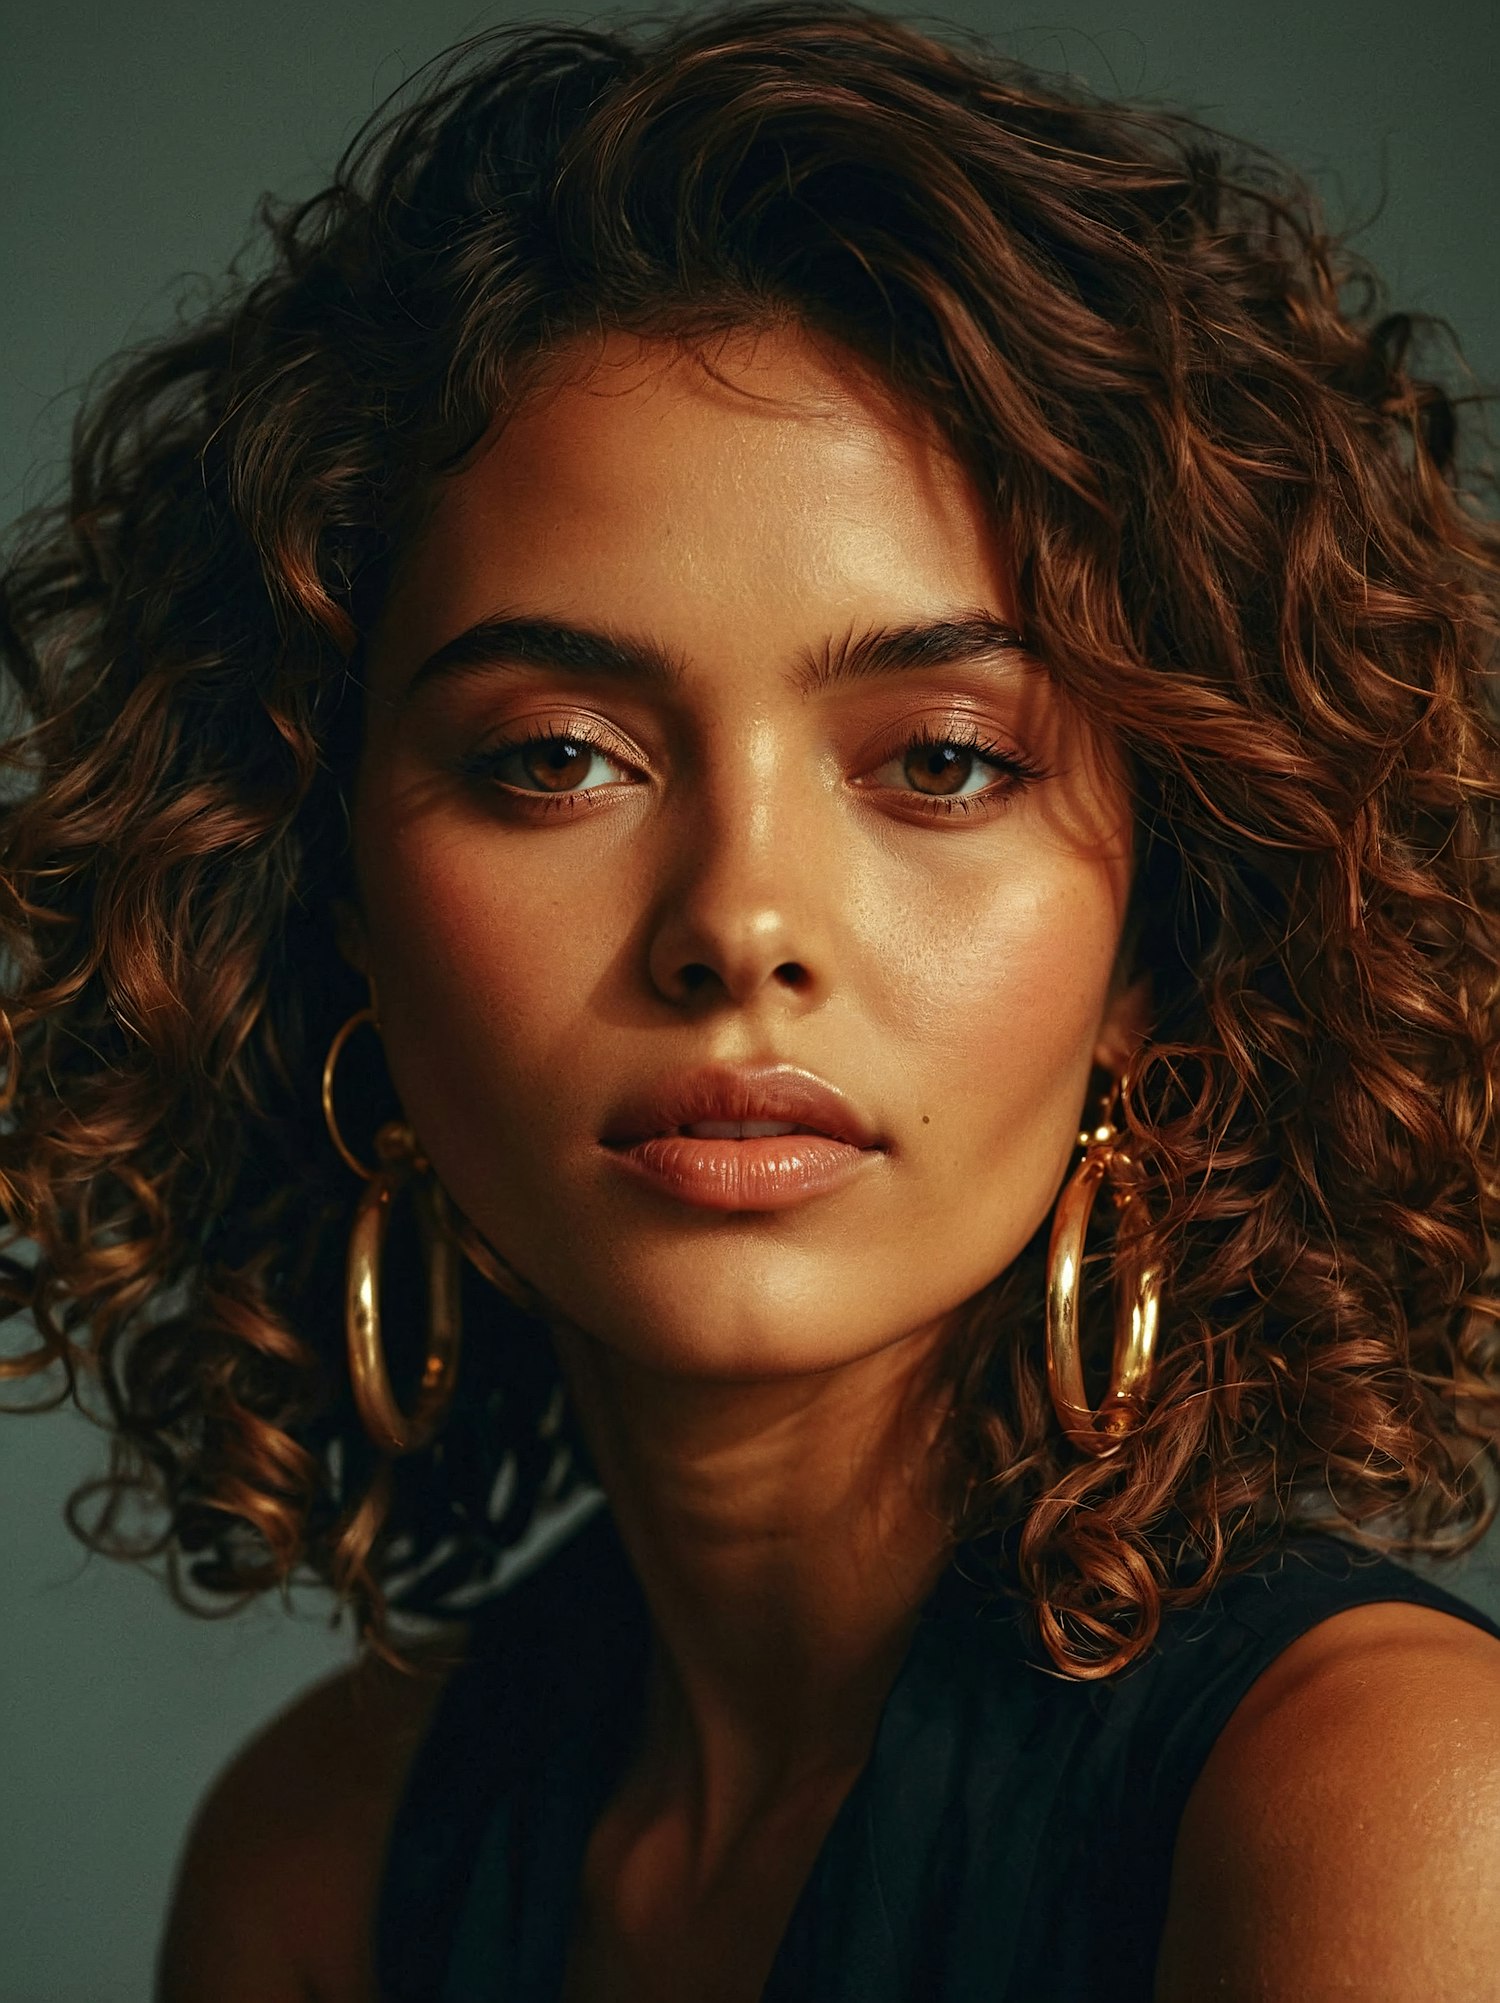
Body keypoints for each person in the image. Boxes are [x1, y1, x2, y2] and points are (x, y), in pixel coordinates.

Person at [4, 2, 1500, 1996]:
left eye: (942, 760)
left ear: (1162, 934)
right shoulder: (319, 1868)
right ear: (333, 887)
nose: (739, 925)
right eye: (557, 757)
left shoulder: (1398, 1812)